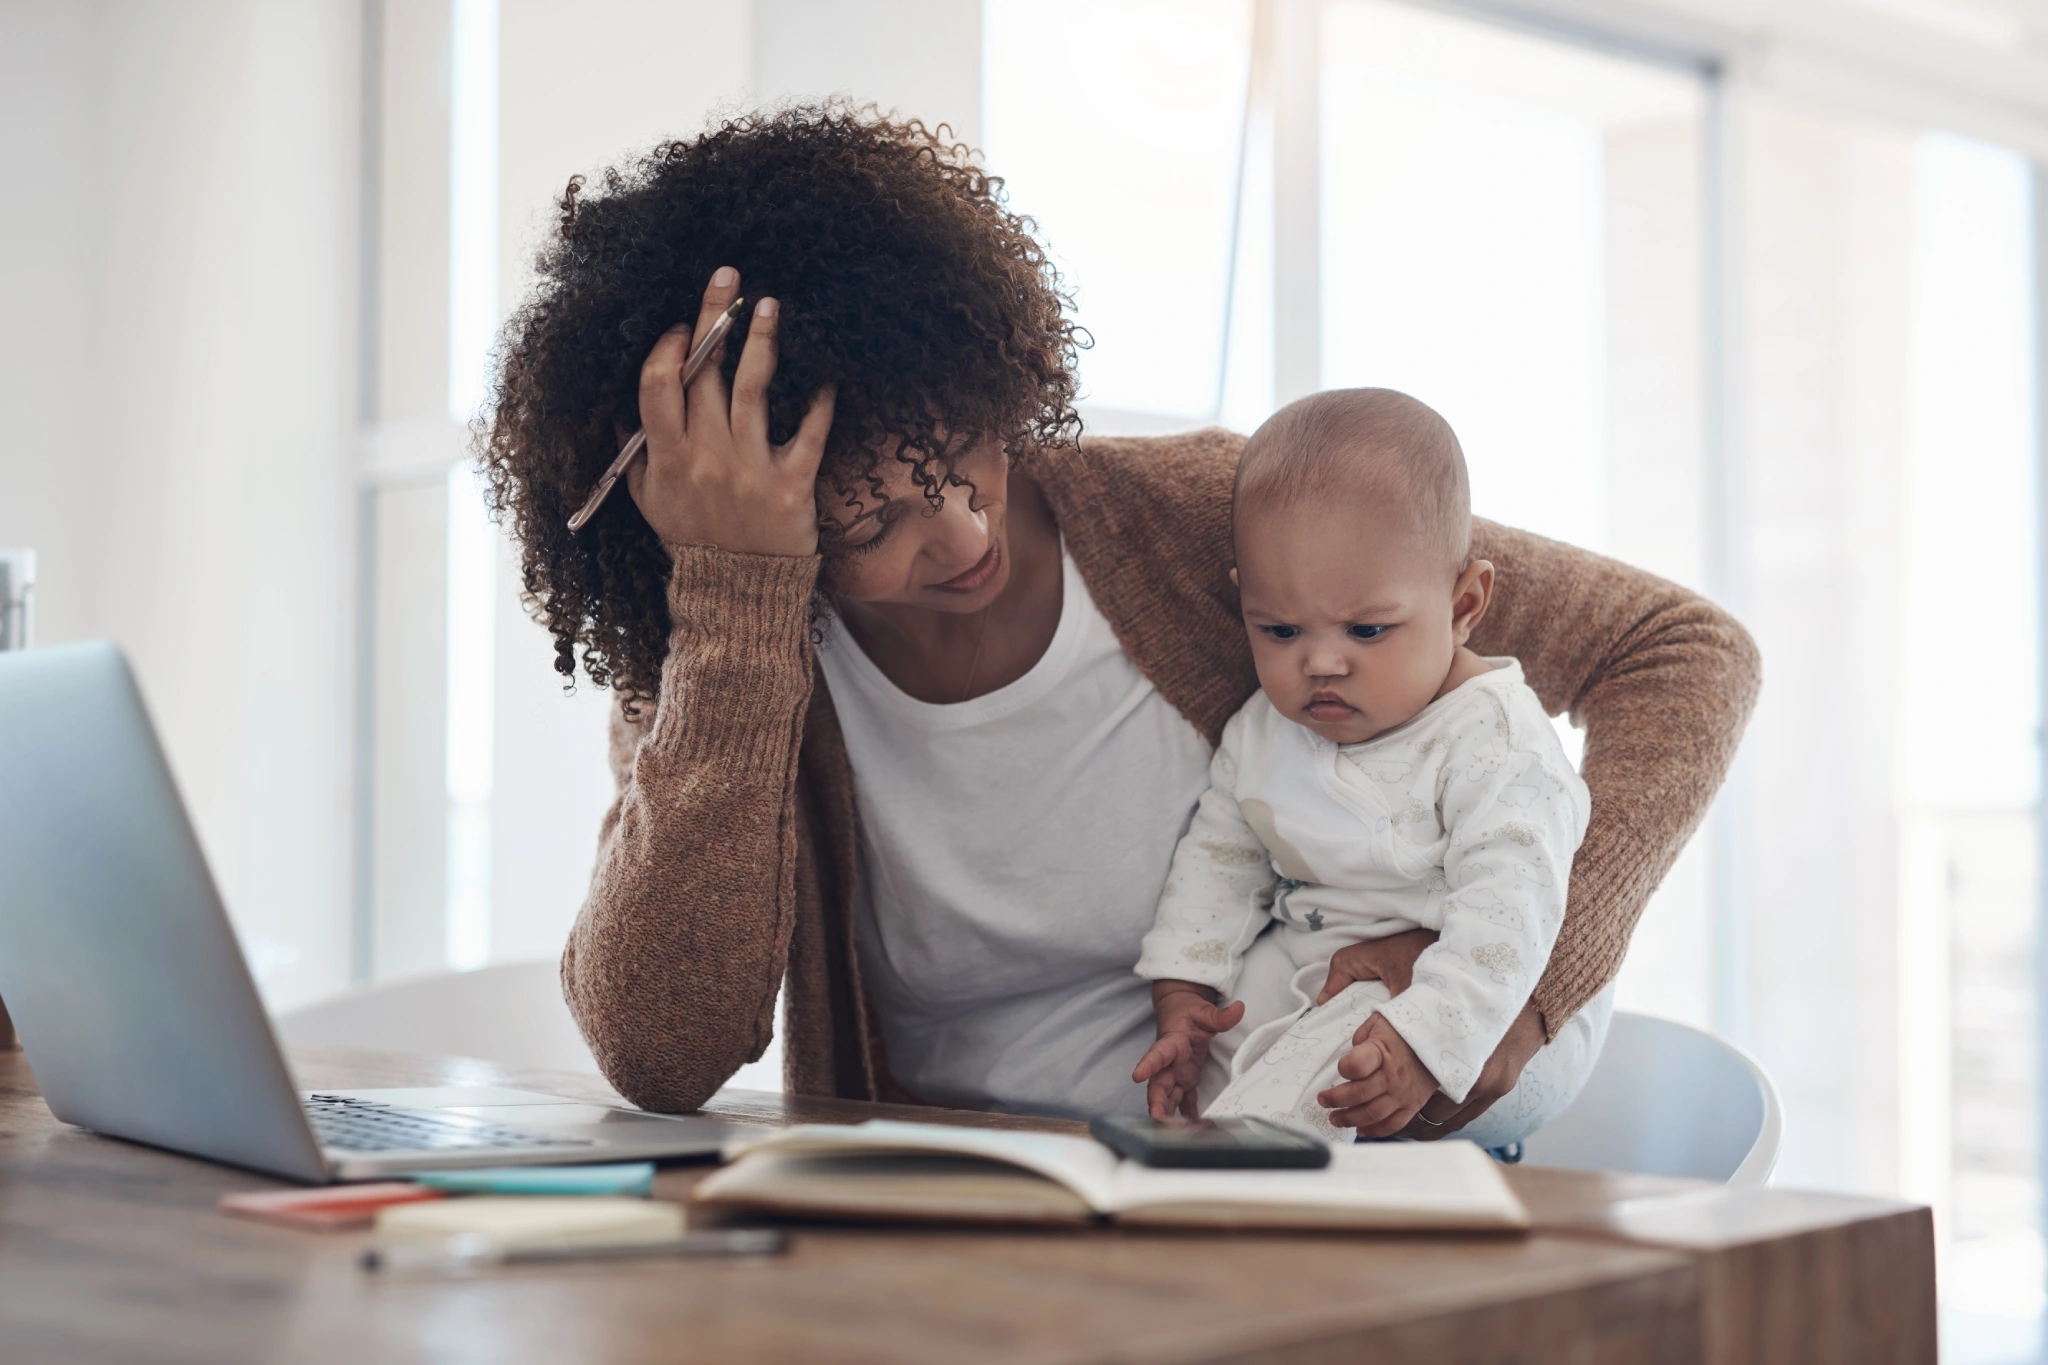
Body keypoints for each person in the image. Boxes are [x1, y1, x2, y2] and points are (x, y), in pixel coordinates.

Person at [480, 106, 1760, 1137]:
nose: (966, 536)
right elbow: (661, 1056)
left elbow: (1682, 651)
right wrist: (728, 609)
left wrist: (1517, 993)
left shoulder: (1203, 521)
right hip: (948, 1221)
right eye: (866, 532)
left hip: (1257, 1186)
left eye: (960, 457)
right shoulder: (723, 657)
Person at [1133, 388, 1604, 1150]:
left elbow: (1509, 913)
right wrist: (1186, 992)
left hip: (1493, 996)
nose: (1320, 660)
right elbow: (1219, 859)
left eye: (1367, 628)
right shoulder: (1264, 729)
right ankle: (1224, 1144)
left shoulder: (1494, 740)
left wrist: (1427, 1036)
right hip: (1326, 966)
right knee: (1238, 1019)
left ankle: (1239, 1179)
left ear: (1464, 604)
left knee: (1336, 1053)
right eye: (1280, 628)